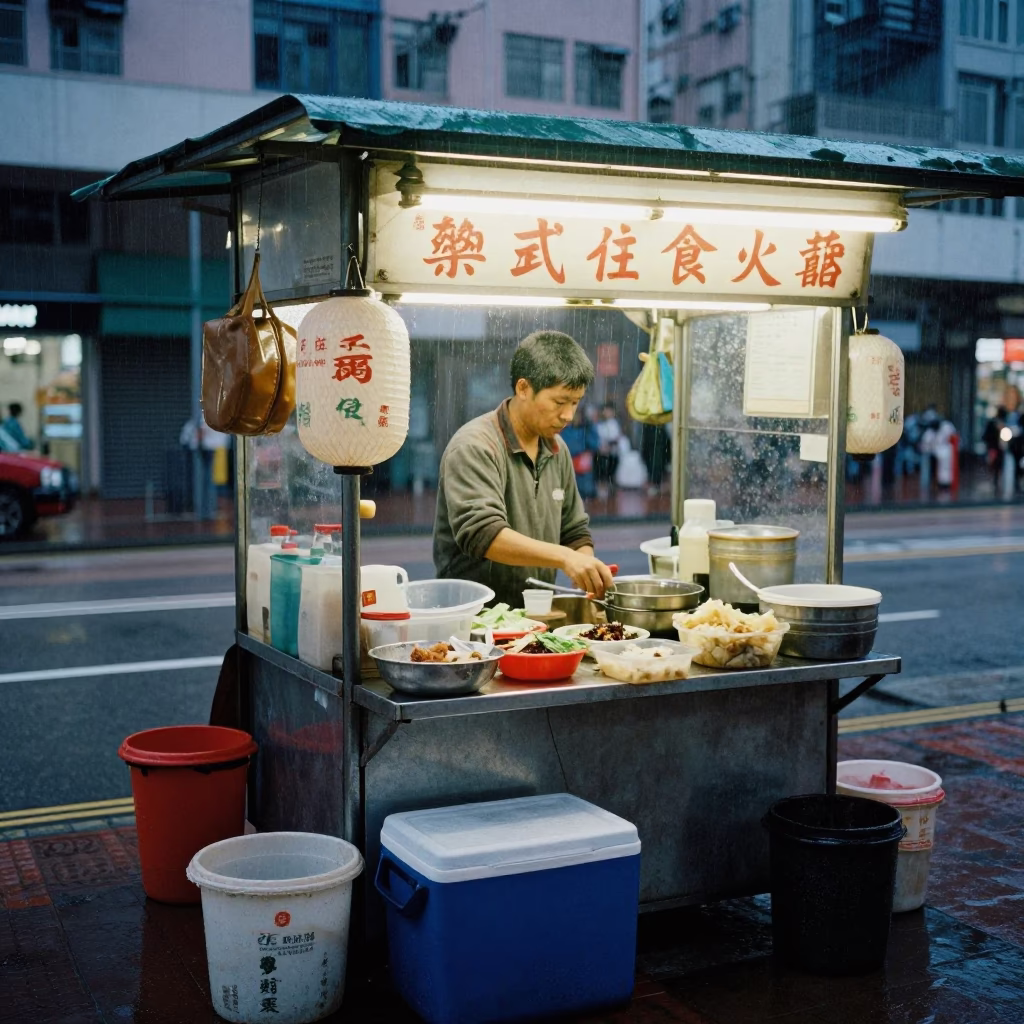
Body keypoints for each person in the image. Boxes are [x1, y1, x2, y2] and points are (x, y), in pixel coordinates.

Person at [433, 330, 616, 608]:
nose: (568, 415)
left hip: (538, 617)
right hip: (476, 621)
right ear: (523, 388)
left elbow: (574, 531)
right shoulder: (475, 446)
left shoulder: (557, 449)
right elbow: (483, 535)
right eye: (559, 402)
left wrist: (585, 561)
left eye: (575, 403)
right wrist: (566, 558)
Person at [560, 404, 600, 499]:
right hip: (569, 465)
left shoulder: (587, 428)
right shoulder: (565, 429)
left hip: (582, 466)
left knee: (584, 492)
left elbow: (594, 444)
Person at [594, 401, 622, 497]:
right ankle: (602, 489)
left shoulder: (614, 424)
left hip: (612, 453)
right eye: (605, 411)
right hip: (601, 452)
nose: (607, 413)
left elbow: (616, 438)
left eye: (609, 411)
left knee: (610, 472)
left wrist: (608, 446)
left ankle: (610, 490)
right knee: (601, 472)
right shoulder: (600, 424)